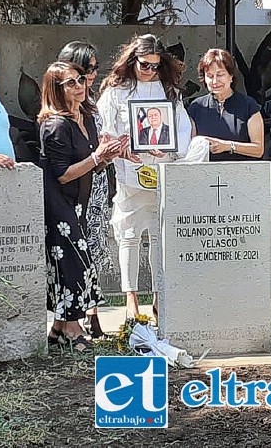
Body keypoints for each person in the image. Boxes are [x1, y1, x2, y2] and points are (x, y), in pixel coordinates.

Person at [98, 34, 193, 318]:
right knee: (129, 235)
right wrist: (120, 147)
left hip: (161, 173)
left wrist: (170, 148)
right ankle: (130, 300)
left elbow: (183, 130)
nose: (149, 71)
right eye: (144, 65)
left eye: (155, 66)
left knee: (158, 236)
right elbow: (103, 131)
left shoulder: (169, 93)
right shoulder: (116, 92)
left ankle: (158, 296)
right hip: (130, 174)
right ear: (132, 61)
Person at [38, 62, 124, 350]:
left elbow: (93, 162)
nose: (79, 87)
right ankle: (73, 329)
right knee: (74, 262)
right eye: (71, 83)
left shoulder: (85, 117)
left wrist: (111, 155)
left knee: (75, 263)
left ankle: (58, 330)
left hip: (80, 201)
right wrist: (98, 158)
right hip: (58, 203)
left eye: (81, 81)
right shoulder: (54, 125)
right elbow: (62, 173)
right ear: (56, 90)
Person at [56, 41, 111, 339]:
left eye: (94, 69)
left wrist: (113, 151)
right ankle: (75, 318)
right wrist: (97, 156)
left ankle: (92, 313)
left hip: (97, 183)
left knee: (93, 249)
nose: (91, 75)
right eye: (86, 69)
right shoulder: (61, 111)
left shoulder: (91, 104)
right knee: (77, 252)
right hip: (75, 188)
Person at [187, 48, 264, 161]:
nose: (214, 81)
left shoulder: (249, 106)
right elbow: (190, 149)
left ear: (231, 76)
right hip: (205, 173)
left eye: (220, 75)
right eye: (209, 76)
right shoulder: (196, 107)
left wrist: (228, 146)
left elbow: (259, 150)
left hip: (242, 173)